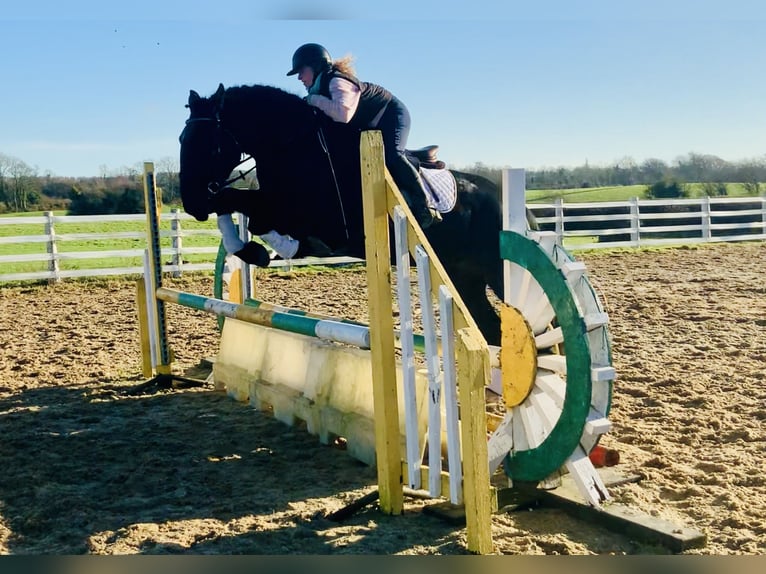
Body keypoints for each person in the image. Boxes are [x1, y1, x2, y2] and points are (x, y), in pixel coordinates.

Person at [287, 42, 440, 229]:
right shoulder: (320, 88)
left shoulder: (336, 81)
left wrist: (314, 100)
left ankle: (424, 205)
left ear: (316, 65)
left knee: (392, 155)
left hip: (392, 115)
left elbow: (343, 115)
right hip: (371, 125)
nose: (299, 77)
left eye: (301, 71)